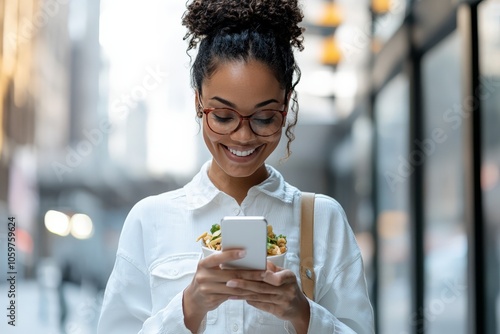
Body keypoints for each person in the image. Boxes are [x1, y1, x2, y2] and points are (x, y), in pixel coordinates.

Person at [97, 0, 374, 333]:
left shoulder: (323, 219)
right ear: (199, 101)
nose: (243, 136)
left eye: (263, 117)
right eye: (224, 116)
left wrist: (304, 314)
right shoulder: (150, 220)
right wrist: (188, 308)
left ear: (285, 107)